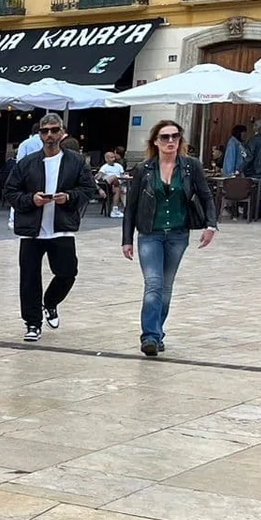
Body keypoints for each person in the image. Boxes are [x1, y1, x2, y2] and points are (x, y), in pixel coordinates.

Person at [122, 119, 215, 359]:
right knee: (153, 284)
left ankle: (158, 332)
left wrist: (211, 225)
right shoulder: (144, 169)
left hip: (177, 233)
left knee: (165, 287)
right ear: (156, 141)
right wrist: (127, 239)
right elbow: (131, 206)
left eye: (175, 136)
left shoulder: (190, 167)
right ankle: (150, 337)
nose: (170, 141)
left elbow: (206, 196)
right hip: (149, 234)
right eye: (165, 137)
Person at [4, 113, 92, 343]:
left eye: (54, 130)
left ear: (62, 133)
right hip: (32, 229)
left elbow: (87, 189)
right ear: (40, 135)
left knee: (67, 272)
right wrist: (31, 200)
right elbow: (10, 192)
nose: (50, 135)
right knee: (29, 278)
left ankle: (50, 302)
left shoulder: (75, 161)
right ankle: (32, 323)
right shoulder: (27, 163)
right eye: (45, 131)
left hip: (61, 227)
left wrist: (69, 198)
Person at [94, 147, 127, 217]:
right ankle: (115, 210)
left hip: (116, 185)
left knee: (117, 189)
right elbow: (98, 177)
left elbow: (123, 176)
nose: (113, 159)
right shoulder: (104, 167)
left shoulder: (119, 166)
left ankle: (114, 210)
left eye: (114, 157)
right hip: (107, 185)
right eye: (111, 158)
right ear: (106, 159)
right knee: (114, 177)